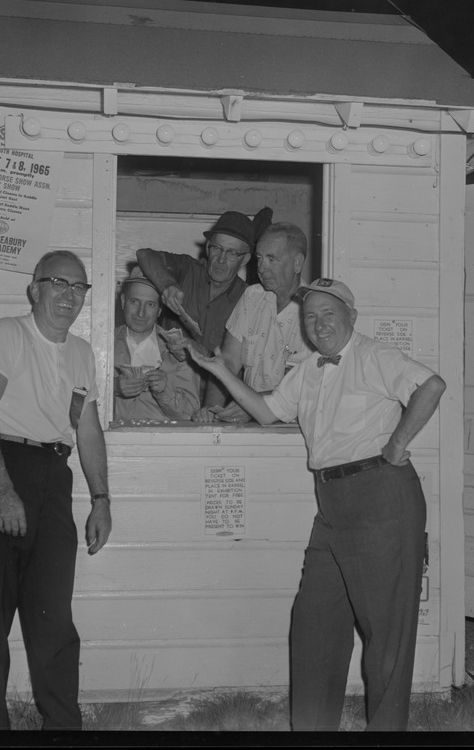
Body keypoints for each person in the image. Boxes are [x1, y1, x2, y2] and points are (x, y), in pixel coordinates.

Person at [189, 277, 446, 731]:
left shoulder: (373, 355)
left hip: (381, 496)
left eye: (329, 313)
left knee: (386, 635)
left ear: (351, 314)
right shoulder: (308, 369)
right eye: (310, 316)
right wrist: (220, 371)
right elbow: (268, 413)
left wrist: (397, 443)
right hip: (331, 504)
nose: (318, 323)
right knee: (314, 624)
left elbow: (431, 386)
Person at [0, 250, 112, 729]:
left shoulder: (83, 353)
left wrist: (102, 500)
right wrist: (3, 489)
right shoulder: (7, 335)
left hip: (53, 479)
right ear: (35, 290)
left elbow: (87, 430)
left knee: (53, 620)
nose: (69, 296)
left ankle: (64, 728)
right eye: (59, 284)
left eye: (79, 288)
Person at [196, 222, 314, 423]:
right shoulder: (252, 297)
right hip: (249, 426)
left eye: (271, 259)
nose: (261, 267)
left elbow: (301, 386)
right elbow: (228, 361)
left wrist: (253, 406)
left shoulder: (314, 311)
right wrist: (210, 411)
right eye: (259, 258)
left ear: (297, 263)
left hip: (293, 432)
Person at [135, 207, 273, 355]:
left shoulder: (248, 299)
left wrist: (199, 352)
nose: (221, 259)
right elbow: (145, 255)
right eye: (217, 248)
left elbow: (236, 363)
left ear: (245, 259)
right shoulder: (188, 269)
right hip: (164, 376)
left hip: (211, 378)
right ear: (208, 248)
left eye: (232, 253)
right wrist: (167, 284)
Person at [114, 267, 199, 421]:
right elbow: (78, 395)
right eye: (134, 302)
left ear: (160, 310)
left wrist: (164, 392)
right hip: (113, 441)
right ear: (123, 302)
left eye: (150, 305)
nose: (141, 313)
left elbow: (190, 414)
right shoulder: (103, 344)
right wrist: (114, 387)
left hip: (163, 442)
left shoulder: (180, 351)